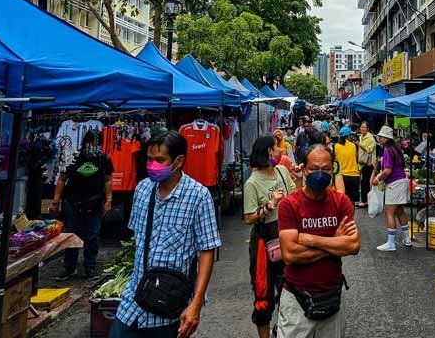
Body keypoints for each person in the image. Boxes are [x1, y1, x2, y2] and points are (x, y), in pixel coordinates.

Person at [111, 129, 220, 338]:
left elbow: (207, 250)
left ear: (178, 161)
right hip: (134, 299)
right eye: (149, 159)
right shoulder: (143, 189)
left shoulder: (198, 196)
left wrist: (196, 304)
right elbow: (139, 240)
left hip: (171, 305)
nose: (152, 165)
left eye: (160, 160)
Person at [277, 145, 360, 338]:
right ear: (304, 169)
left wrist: (309, 239)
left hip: (332, 296)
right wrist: (334, 242)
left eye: (326, 169)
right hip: (296, 299)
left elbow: (353, 246)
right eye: (314, 169)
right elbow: (290, 254)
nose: (320, 174)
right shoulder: (289, 205)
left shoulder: (341, 202)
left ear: (333, 169)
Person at [244, 136, 296, 338]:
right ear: (267, 152)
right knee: (263, 294)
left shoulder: (282, 172)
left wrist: (299, 178)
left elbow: (294, 196)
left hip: (286, 234)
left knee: (290, 290)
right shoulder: (252, 183)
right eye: (277, 147)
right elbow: (249, 218)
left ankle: (282, 330)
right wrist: (268, 207)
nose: (281, 150)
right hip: (264, 243)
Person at [51, 130, 112, 280]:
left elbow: (108, 180)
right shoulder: (72, 157)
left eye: (97, 144)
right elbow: (61, 179)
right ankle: (69, 267)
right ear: (85, 142)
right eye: (91, 143)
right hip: (72, 202)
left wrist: (109, 200)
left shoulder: (103, 158)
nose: (94, 146)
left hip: (95, 202)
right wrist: (55, 200)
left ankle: (90, 267)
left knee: (93, 236)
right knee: (71, 234)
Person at [371, 126, 411, 251]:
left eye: (381, 136)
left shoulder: (387, 150)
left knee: (389, 212)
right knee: (400, 211)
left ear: (387, 138)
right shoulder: (395, 149)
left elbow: (388, 170)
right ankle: (406, 238)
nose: (379, 138)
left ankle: (391, 243)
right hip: (402, 181)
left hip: (394, 183)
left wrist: (377, 179)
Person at [333, 127, 360, 204]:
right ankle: (351, 216)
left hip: (341, 177)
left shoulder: (335, 146)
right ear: (348, 136)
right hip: (354, 175)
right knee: (352, 202)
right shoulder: (353, 146)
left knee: (341, 201)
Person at [356, 122, 376, 208]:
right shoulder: (361, 137)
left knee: (365, 182)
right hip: (362, 163)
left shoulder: (370, 138)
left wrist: (359, 144)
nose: (363, 129)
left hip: (368, 163)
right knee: (364, 182)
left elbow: (370, 150)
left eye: (364, 127)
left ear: (368, 129)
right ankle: (365, 200)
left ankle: (365, 201)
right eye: (361, 127)